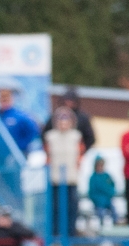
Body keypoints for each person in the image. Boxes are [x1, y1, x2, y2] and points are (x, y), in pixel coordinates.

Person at [44, 108, 83, 237]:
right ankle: (55, 231)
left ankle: (70, 231)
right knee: (55, 207)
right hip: (55, 177)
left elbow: (79, 155)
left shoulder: (76, 136)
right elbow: (48, 155)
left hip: (71, 177)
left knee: (71, 206)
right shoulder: (51, 137)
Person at [0, 88, 41, 155]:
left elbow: (34, 132)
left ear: (12, 98)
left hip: (15, 156)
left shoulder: (21, 116)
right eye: (1, 96)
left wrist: (20, 147)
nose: (4, 99)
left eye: (6, 96)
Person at [62, 86, 97, 155]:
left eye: (71, 101)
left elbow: (90, 138)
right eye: (67, 100)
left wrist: (81, 152)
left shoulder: (83, 118)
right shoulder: (57, 115)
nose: (69, 103)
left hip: (77, 153)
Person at [87, 157, 117, 230]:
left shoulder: (107, 176)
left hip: (107, 200)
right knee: (100, 213)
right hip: (98, 202)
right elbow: (92, 192)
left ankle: (115, 227)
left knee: (114, 211)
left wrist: (110, 195)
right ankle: (101, 228)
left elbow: (112, 186)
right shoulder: (93, 178)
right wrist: (97, 200)